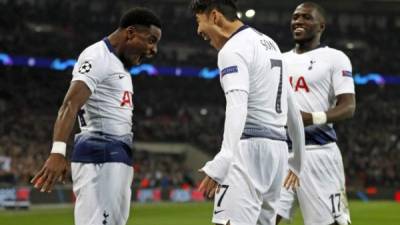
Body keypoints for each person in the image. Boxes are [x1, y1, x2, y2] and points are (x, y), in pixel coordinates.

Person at [30, 7, 162, 225]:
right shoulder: (97, 56)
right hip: (99, 157)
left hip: (116, 158)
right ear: (130, 33)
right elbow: (70, 104)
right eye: (151, 40)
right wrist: (57, 151)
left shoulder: (120, 65)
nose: (153, 49)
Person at [190, 1, 306, 225]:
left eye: (199, 21)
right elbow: (293, 107)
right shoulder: (269, 44)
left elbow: (237, 105)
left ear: (214, 16)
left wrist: (224, 158)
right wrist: (297, 161)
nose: (198, 31)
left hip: (248, 152)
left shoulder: (232, 50)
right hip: (278, 154)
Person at [275, 2, 356, 225]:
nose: (298, 21)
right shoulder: (278, 61)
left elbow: (348, 107)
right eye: (295, 17)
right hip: (282, 154)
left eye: (306, 17)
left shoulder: (335, 58)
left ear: (321, 25)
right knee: (263, 219)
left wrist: (312, 118)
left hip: (318, 153)